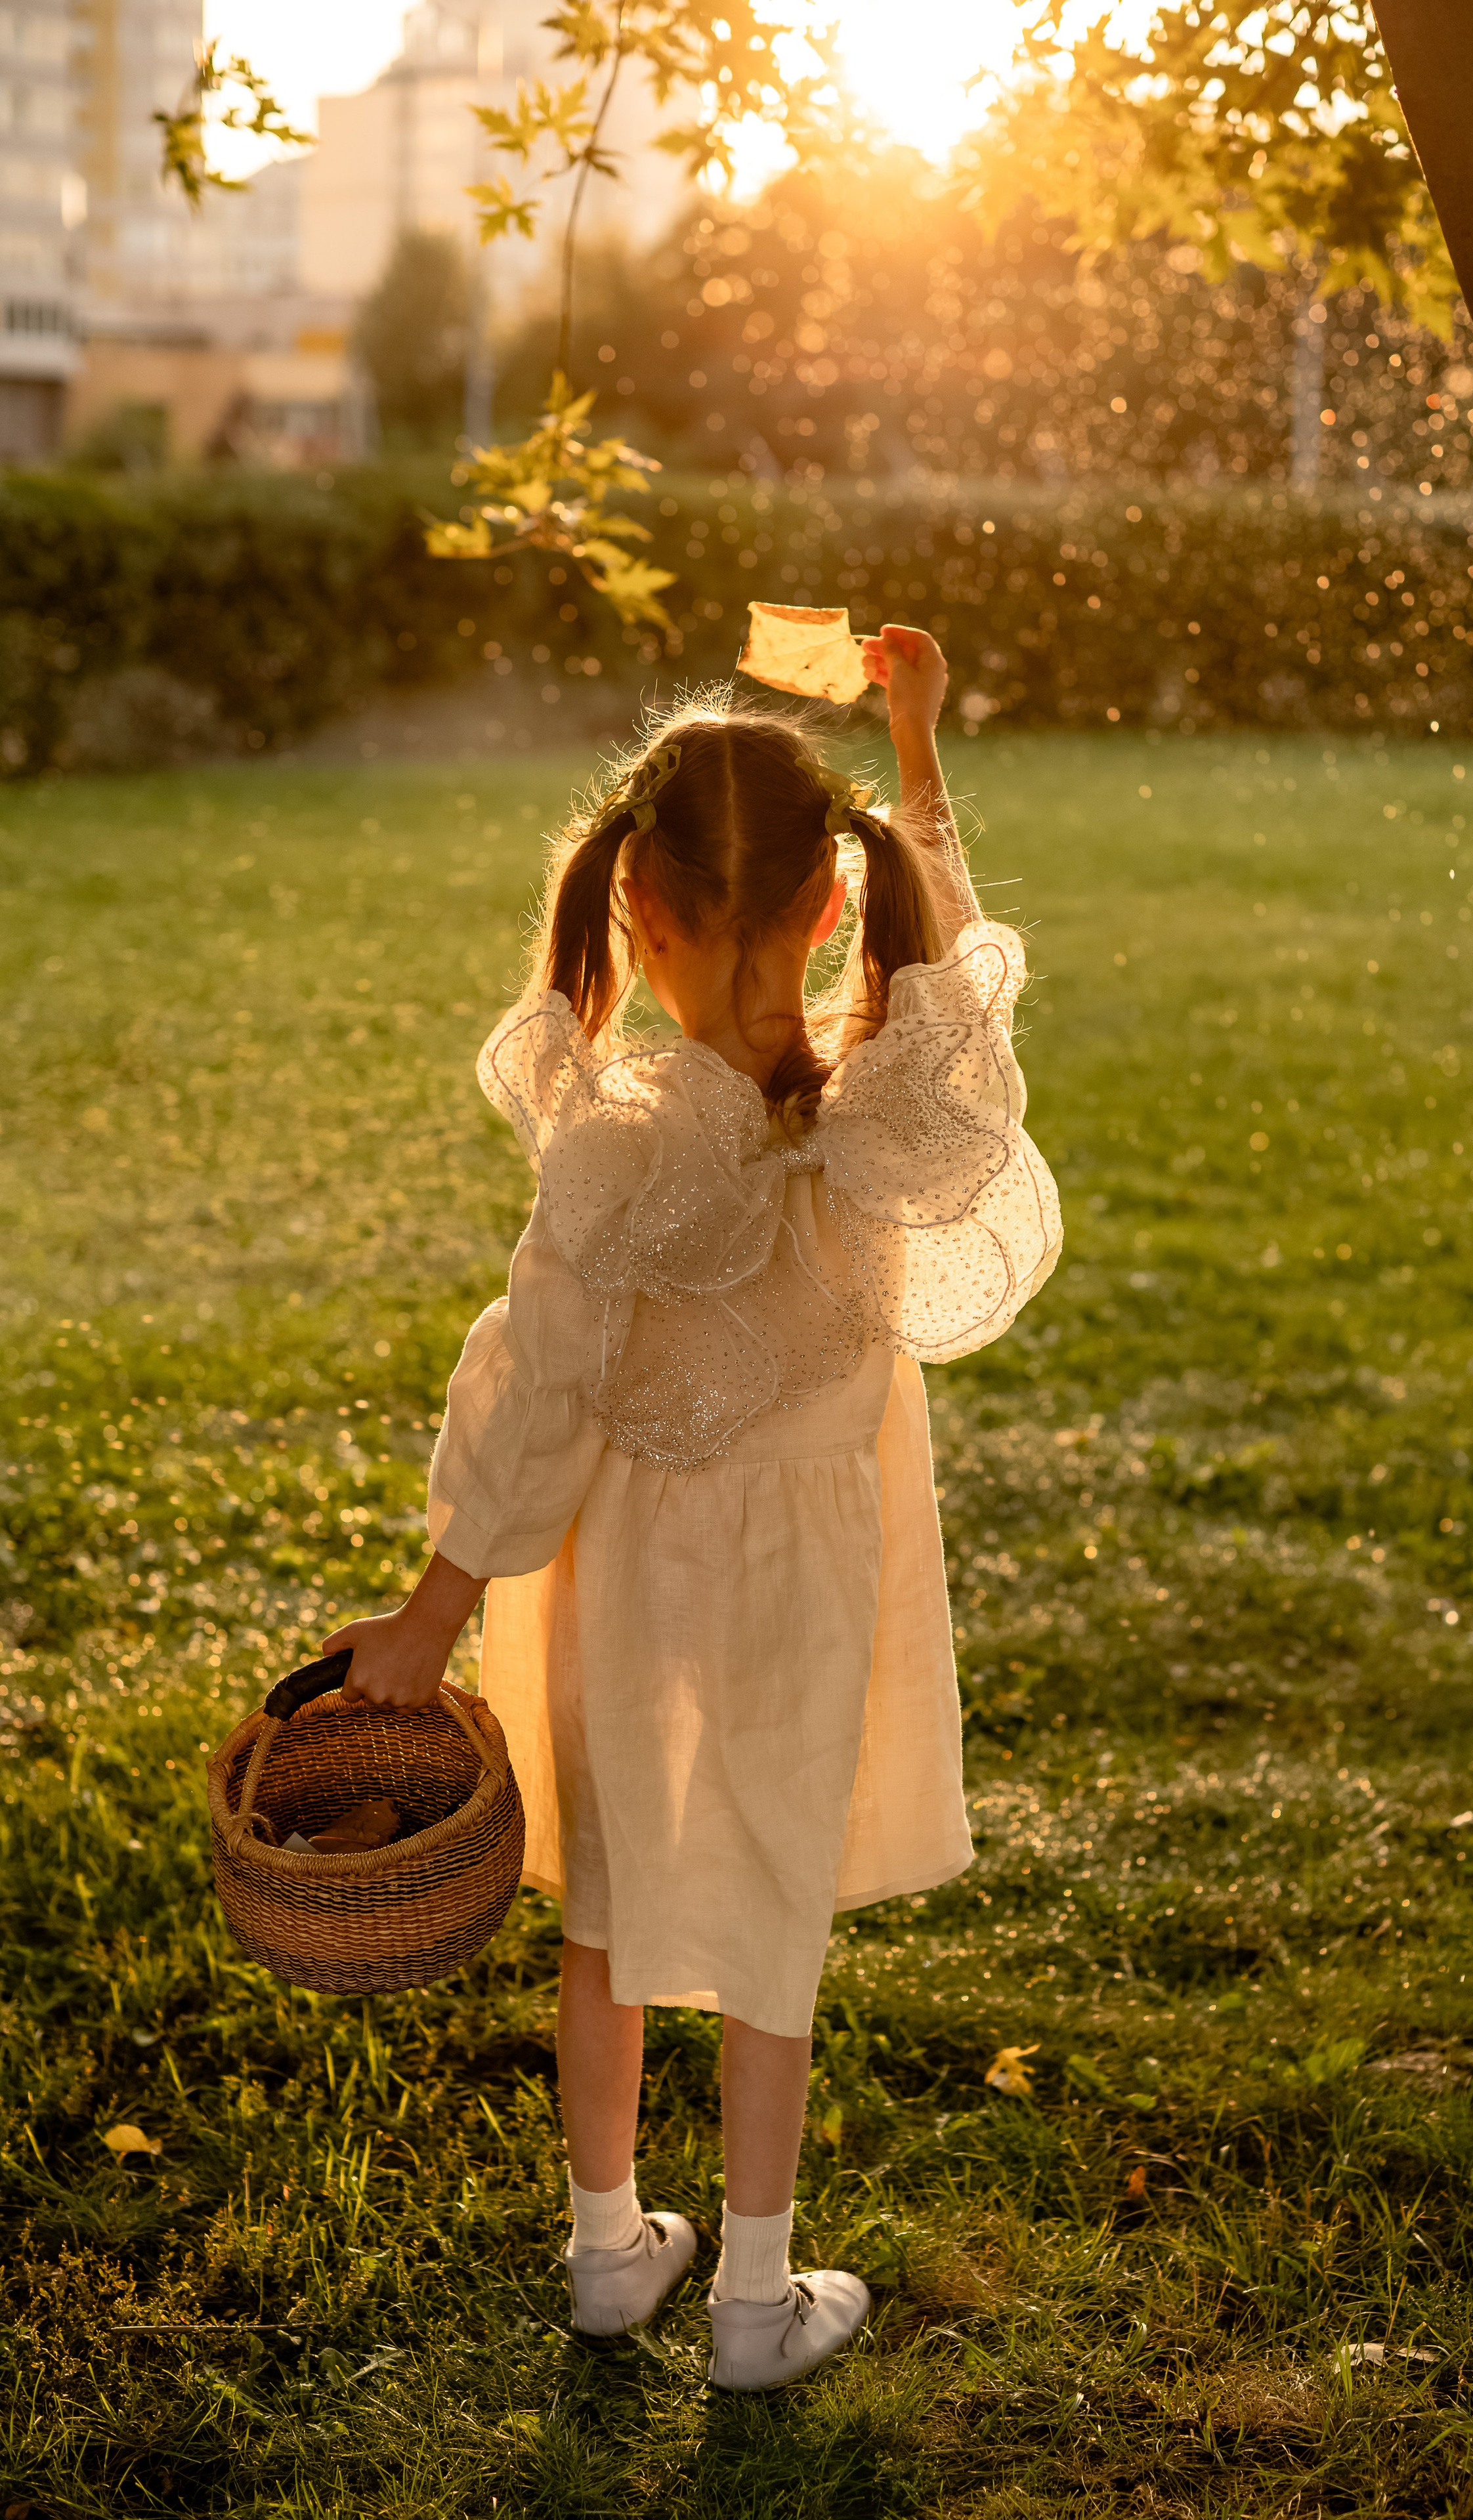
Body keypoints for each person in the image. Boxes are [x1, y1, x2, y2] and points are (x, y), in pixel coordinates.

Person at [325, 625, 1061, 2389]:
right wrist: (917, 757)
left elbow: (536, 1389)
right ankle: (752, 2297)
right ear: (834, 906)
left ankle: (606, 2252)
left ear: (633, 906)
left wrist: (430, 1618)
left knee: (610, 1911)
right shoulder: (891, 1109)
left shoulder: (618, 1151)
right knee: (765, 1916)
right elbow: (952, 996)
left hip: (628, 1576)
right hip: (804, 1577)